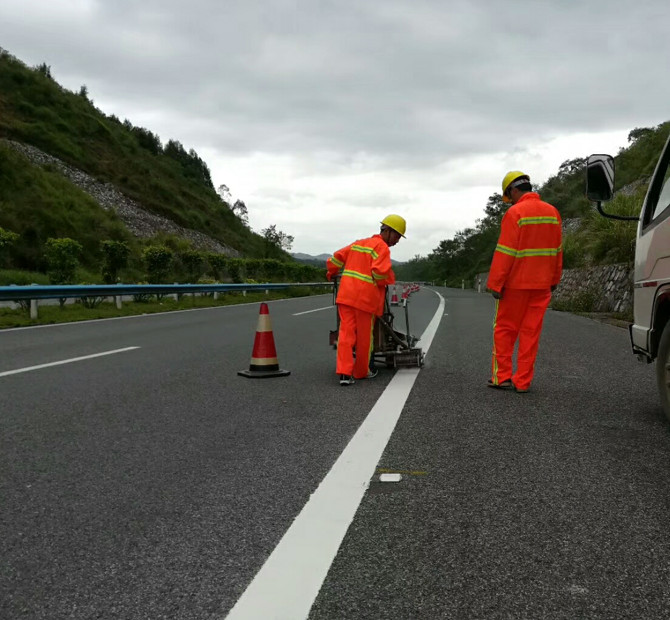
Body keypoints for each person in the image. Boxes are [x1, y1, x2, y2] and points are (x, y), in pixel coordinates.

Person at [487, 171, 563, 393]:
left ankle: (501, 378)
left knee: (505, 330)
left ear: (512, 190)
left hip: (515, 285)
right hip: (542, 286)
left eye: (508, 196)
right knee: (531, 334)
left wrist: (496, 283)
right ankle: (523, 382)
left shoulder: (515, 213)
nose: (509, 200)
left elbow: (505, 252)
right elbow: (558, 250)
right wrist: (554, 279)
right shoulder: (553, 213)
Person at [326, 215, 406, 386]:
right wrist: (389, 278)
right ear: (388, 231)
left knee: (346, 334)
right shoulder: (382, 248)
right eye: (397, 236)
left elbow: (335, 258)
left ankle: (344, 374)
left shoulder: (358, 243)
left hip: (346, 295)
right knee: (364, 338)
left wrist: (331, 272)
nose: (397, 241)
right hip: (365, 299)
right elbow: (379, 274)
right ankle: (361, 372)